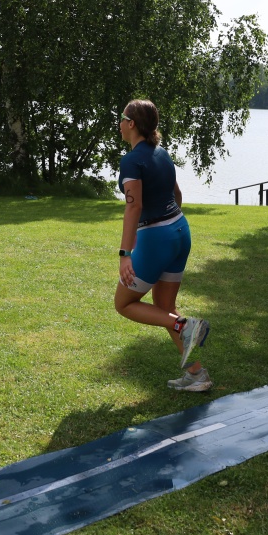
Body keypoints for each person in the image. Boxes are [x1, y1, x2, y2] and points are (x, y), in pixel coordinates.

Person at [113, 99, 212, 392]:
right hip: (180, 230)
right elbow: (176, 194)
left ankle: (185, 326)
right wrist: (170, 226)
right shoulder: (162, 153)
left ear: (132, 123)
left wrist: (125, 254)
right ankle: (196, 374)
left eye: (122, 118)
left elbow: (134, 207)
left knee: (124, 304)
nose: (119, 123)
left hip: (158, 238)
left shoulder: (131, 161)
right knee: (165, 308)